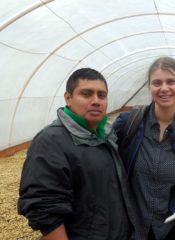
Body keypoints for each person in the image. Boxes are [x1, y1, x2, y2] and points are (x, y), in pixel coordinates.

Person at [18, 68, 133, 240]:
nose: (96, 101)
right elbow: (44, 209)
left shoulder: (105, 135)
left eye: (102, 95)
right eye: (86, 94)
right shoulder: (51, 141)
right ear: (68, 98)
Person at [113, 57, 175, 240]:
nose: (164, 88)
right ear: (150, 86)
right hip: (129, 226)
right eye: (157, 83)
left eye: (171, 81)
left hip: (168, 227)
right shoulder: (128, 124)